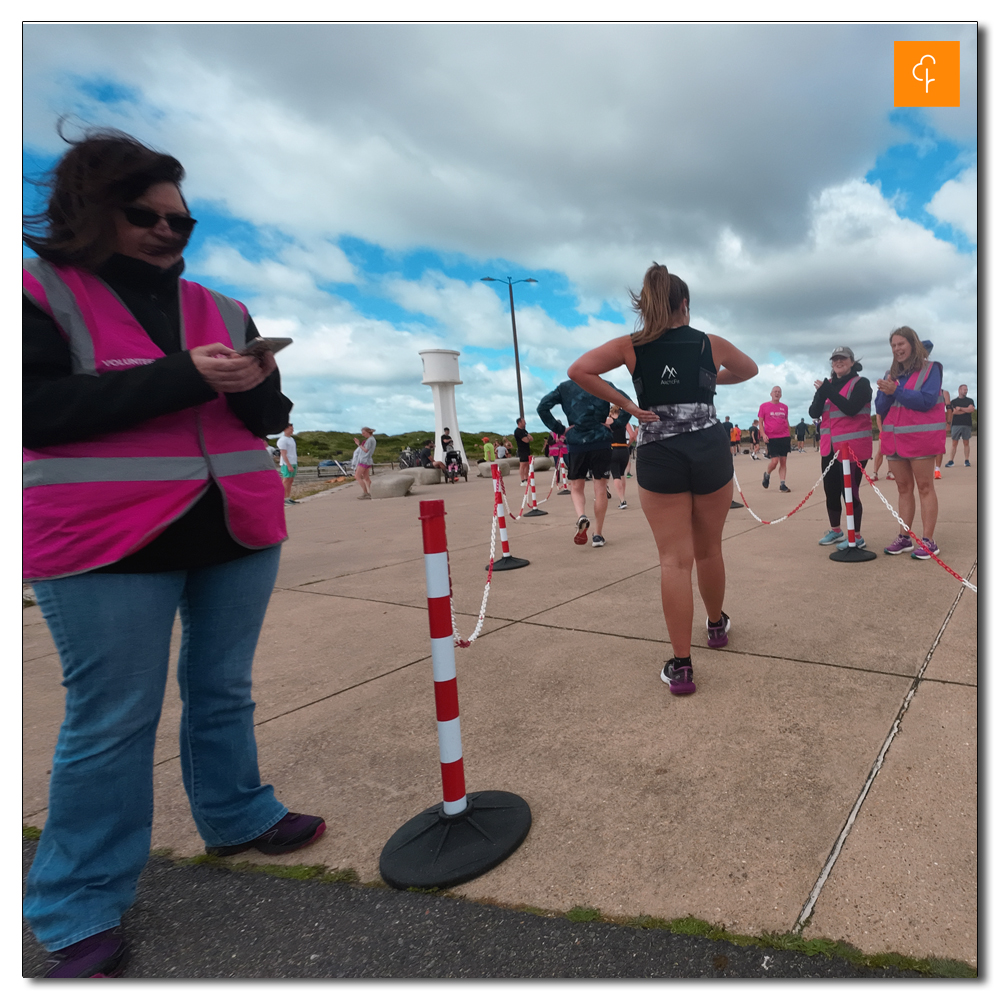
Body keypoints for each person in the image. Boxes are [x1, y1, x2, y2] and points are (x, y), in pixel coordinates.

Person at [22, 128, 325, 978]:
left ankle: (237, 814)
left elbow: (268, 422)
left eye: (181, 222)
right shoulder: (37, 290)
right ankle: (75, 903)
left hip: (232, 526)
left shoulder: (224, 309)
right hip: (104, 539)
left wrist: (260, 385)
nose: (166, 232)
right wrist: (188, 376)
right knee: (113, 719)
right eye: (144, 215)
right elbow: (34, 411)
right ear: (89, 209)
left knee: (223, 688)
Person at [566, 263, 758, 696]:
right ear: (685, 305)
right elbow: (750, 369)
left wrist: (628, 406)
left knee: (674, 559)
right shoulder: (710, 343)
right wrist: (711, 381)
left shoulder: (631, 346)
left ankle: (683, 667)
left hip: (659, 452)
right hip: (709, 449)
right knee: (710, 548)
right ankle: (715, 627)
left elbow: (579, 370)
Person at [876, 328, 946, 559]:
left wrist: (896, 390)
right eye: (893, 345)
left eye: (901, 344)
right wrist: (886, 392)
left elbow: (926, 401)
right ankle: (904, 537)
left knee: (925, 487)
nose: (897, 349)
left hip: (920, 440)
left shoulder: (931, 369)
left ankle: (928, 541)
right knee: (903, 488)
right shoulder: (891, 373)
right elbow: (880, 408)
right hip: (895, 440)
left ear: (913, 344)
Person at [537, 380, 633, 548]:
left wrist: (559, 429)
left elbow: (542, 407)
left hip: (576, 442)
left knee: (576, 486)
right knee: (600, 489)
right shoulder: (603, 384)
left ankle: (581, 515)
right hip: (601, 441)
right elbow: (627, 402)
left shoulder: (564, 387)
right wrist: (616, 425)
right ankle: (598, 535)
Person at [809, 347, 873, 550]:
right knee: (831, 490)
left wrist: (828, 391)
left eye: (843, 359)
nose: (838, 362)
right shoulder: (828, 387)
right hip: (829, 448)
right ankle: (836, 530)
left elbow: (851, 408)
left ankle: (857, 536)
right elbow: (813, 412)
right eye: (835, 359)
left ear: (852, 362)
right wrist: (821, 394)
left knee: (850, 492)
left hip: (852, 449)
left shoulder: (861, 384)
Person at [758, 386, 792, 492]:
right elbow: (760, 422)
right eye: (775, 392)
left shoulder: (784, 407)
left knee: (783, 461)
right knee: (774, 461)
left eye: (779, 392)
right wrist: (763, 434)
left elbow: (786, 421)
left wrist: (789, 435)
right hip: (772, 437)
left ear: (781, 395)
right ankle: (767, 474)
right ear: (771, 394)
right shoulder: (764, 406)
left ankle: (782, 484)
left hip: (784, 437)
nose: (777, 393)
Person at [606, 404, 633, 509]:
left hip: (613, 449)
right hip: (624, 449)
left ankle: (622, 500)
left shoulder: (608, 421)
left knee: (615, 475)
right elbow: (632, 435)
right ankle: (623, 496)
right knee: (622, 474)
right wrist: (628, 445)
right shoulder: (624, 421)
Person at [945, 384, 975, 468]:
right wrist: (966, 410)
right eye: (964, 389)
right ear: (959, 390)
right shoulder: (954, 402)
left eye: (966, 389)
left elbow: (971, 409)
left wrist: (961, 409)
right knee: (954, 443)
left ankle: (966, 460)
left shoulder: (970, 400)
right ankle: (951, 461)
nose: (966, 391)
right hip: (956, 424)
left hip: (967, 424)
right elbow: (953, 412)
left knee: (966, 442)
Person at [276, 423, 298, 504]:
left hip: (293, 461)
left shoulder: (291, 439)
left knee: (291, 480)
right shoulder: (282, 440)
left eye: (292, 429)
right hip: (286, 463)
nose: (292, 430)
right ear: (285, 429)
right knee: (286, 479)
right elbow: (283, 454)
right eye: (290, 429)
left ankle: (288, 497)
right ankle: (283, 498)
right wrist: (288, 465)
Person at [352, 426, 376, 499]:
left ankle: (366, 493)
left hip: (364, 460)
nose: (363, 434)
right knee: (366, 478)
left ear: (368, 432)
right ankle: (373, 492)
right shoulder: (372, 439)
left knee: (357, 476)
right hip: (367, 460)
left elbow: (366, 450)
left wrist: (359, 444)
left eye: (364, 433)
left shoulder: (370, 440)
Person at [934, 389, 951, 479]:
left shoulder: (944, 393)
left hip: (939, 423)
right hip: (925, 422)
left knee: (939, 447)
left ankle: (937, 469)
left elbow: (949, 408)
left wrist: (948, 423)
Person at [514, 417, 533, 483]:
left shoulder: (524, 431)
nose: (525, 423)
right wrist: (528, 437)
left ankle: (527, 478)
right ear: (519, 423)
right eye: (524, 422)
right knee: (522, 464)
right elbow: (526, 440)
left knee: (527, 464)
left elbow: (531, 438)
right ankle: (522, 479)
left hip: (527, 449)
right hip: (522, 450)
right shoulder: (517, 431)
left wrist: (528, 437)